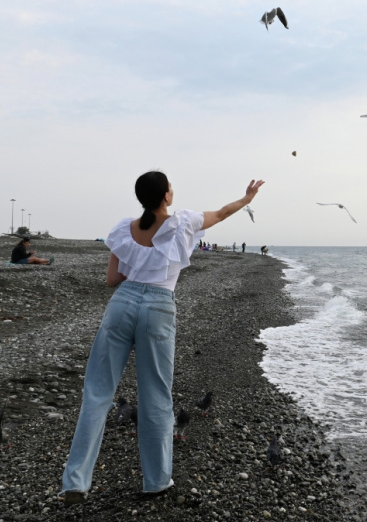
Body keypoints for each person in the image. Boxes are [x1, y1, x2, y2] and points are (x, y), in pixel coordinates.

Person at [59, 171, 264, 505]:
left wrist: (137, 266)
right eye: (170, 187)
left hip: (121, 304)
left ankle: (75, 482)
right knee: (156, 395)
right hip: (158, 306)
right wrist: (247, 198)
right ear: (167, 195)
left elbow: (112, 279)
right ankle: (155, 482)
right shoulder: (184, 223)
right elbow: (222, 212)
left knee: (97, 392)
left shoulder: (124, 229)